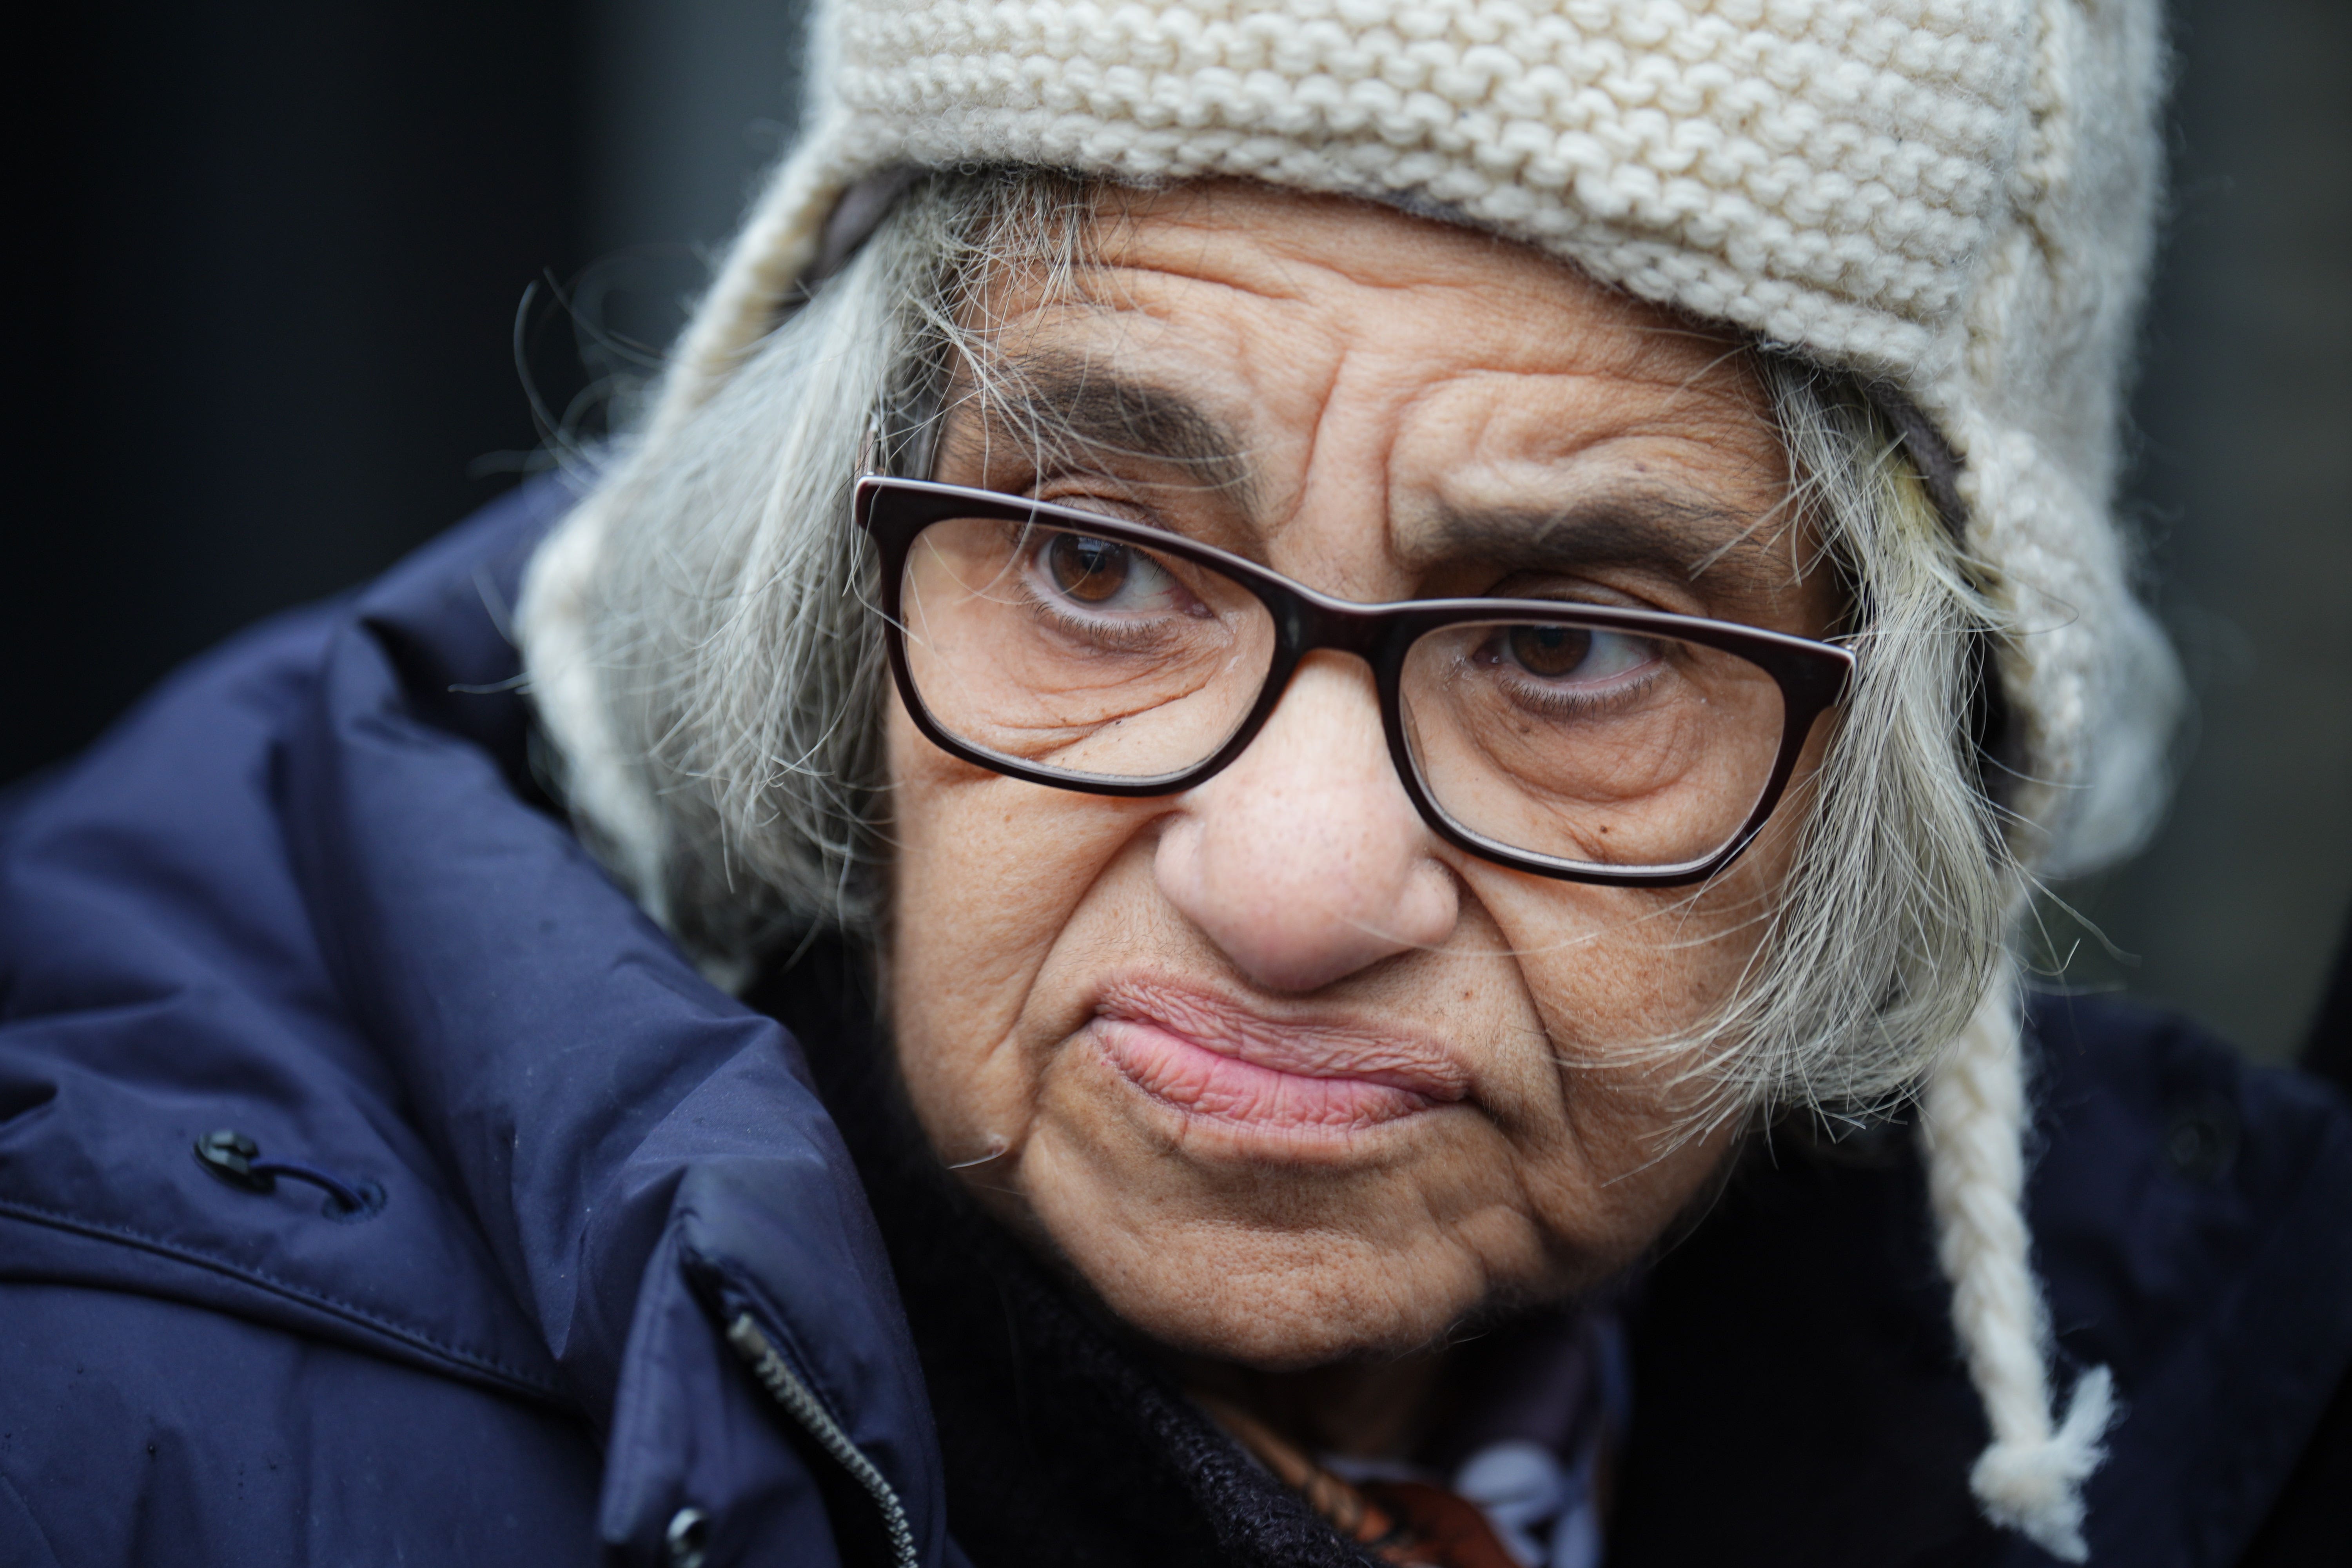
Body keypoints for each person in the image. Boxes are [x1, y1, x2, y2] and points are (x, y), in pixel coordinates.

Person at [4, 2, 2348, 1564]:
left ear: (1914, 761)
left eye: (1568, 647)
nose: (1297, 884)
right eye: (1100, 566)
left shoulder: (2201, 1387)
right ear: (828, 582)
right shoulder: (135, 1445)